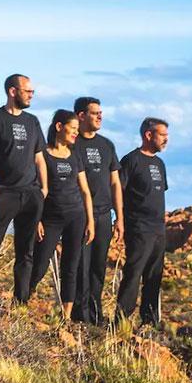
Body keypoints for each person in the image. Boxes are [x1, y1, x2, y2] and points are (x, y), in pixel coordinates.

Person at [0, 75, 47, 307]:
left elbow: (39, 157)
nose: (30, 95)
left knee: (26, 253)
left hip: (31, 195)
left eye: (32, 91)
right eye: (27, 91)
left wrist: (43, 188)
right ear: (12, 91)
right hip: (4, 194)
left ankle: (21, 303)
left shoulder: (32, 121)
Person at [26, 109, 93, 312]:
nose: (75, 133)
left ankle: (66, 316)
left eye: (77, 130)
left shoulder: (75, 155)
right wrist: (36, 220)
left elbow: (85, 190)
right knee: (39, 263)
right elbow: (36, 190)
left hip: (76, 216)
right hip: (50, 218)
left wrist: (90, 221)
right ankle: (24, 299)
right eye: (72, 129)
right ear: (59, 127)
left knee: (70, 267)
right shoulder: (43, 155)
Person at [73, 97, 123, 324]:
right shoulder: (72, 143)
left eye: (101, 113)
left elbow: (115, 182)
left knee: (98, 268)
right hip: (80, 215)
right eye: (95, 113)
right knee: (80, 266)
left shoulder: (106, 145)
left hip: (104, 215)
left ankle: (95, 314)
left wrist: (119, 217)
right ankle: (79, 316)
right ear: (81, 116)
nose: (100, 117)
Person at [116, 117, 169, 326]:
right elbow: (118, 190)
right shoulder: (131, 160)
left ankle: (149, 323)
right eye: (162, 135)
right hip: (138, 227)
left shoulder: (159, 163)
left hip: (158, 229)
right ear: (149, 135)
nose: (166, 139)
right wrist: (120, 220)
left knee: (154, 277)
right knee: (134, 273)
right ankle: (121, 321)